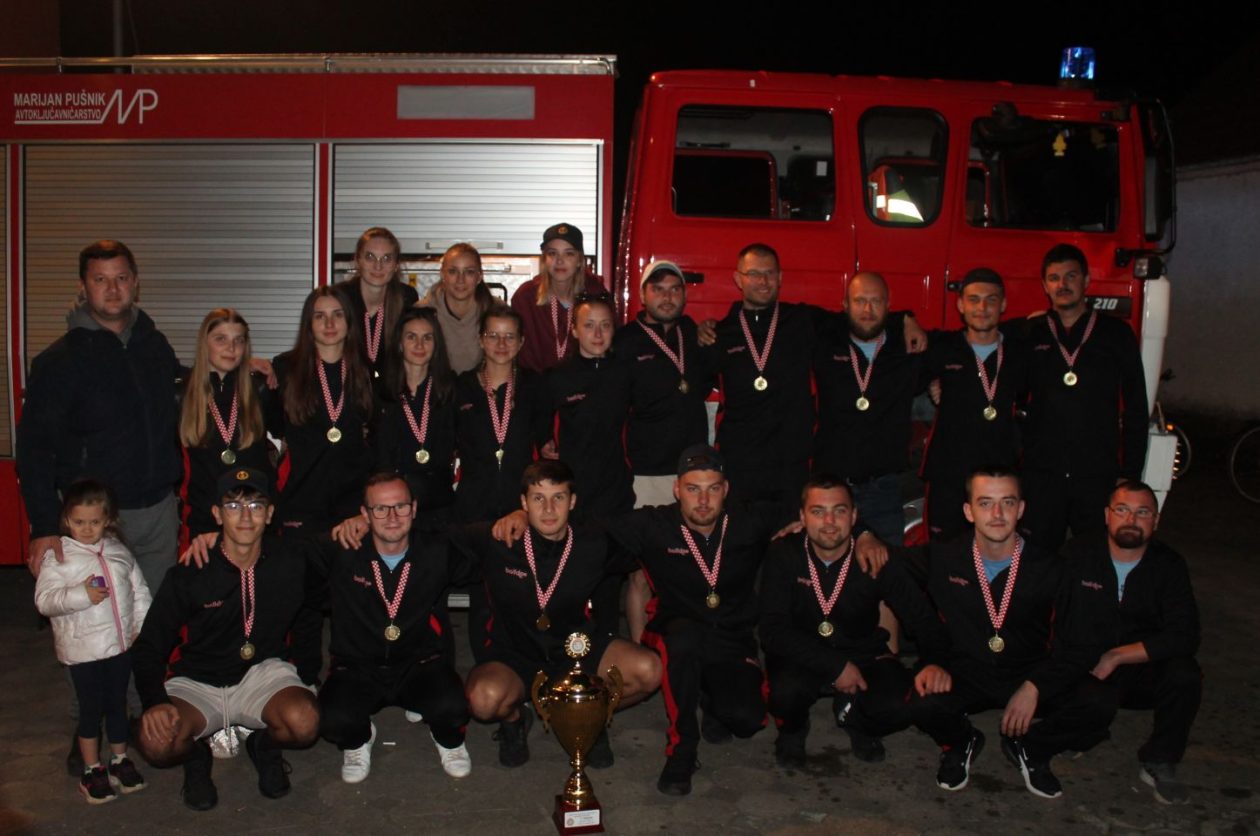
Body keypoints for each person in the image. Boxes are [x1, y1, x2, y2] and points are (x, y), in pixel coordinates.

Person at [904, 467, 1114, 799]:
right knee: (921, 700)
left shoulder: (1051, 568)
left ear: (1021, 509)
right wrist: (932, 658)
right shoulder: (944, 557)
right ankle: (962, 742)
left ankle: (1031, 748)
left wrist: (1036, 687)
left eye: (1007, 503)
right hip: (966, 668)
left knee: (1099, 704)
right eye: (986, 503)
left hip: (1028, 669)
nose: (997, 514)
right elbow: (888, 571)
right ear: (969, 511)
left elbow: (1080, 644)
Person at [133, 468, 319, 812]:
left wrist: (308, 676)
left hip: (261, 676)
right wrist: (154, 701)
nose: (246, 516)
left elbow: (309, 615)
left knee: (305, 721)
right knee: (157, 744)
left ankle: (264, 746)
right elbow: (149, 646)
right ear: (217, 515)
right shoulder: (190, 573)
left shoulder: (291, 562)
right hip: (198, 681)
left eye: (256, 505)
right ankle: (196, 754)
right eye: (233, 506)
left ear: (270, 513)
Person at [461, 461, 661, 769]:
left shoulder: (594, 541)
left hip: (577, 649)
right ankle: (515, 720)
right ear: (524, 503)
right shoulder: (498, 539)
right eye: (538, 498)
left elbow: (658, 531)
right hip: (515, 653)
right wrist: (367, 525)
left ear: (573, 501)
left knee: (649, 670)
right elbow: (430, 540)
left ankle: (586, 717)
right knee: (483, 701)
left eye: (559, 497)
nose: (549, 508)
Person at [18, 239, 182, 596]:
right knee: (99, 626)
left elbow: (188, 392)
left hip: (159, 513)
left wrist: (243, 372)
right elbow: (34, 451)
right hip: (96, 520)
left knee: (156, 620)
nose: (112, 289)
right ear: (82, 286)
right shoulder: (57, 363)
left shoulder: (154, 346)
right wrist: (44, 525)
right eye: (100, 280)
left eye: (121, 278)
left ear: (135, 283)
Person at [759, 475, 951, 768]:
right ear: (802, 516)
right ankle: (793, 730)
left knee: (899, 704)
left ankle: (857, 720)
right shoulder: (783, 552)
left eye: (839, 510)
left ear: (855, 516)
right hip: (803, 652)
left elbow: (925, 621)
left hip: (862, 651)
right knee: (785, 692)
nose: (829, 521)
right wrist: (835, 666)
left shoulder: (875, 557)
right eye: (817, 511)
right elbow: (772, 631)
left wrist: (934, 662)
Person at [317, 474, 474, 782]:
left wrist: (521, 517)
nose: (391, 517)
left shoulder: (437, 549)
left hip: (419, 663)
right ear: (363, 514)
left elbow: (485, 542)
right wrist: (219, 539)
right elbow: (283, 553)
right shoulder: (341, 549)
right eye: (380, 509)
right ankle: (359, 738)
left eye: (400, 507)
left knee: (454, 706)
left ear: (414, 509)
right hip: (358, 665)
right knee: (332, 719)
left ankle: (449, 740)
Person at [1065, 480, 1201, 805]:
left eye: (1142, 513)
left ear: (1155, 520)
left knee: (1186, 673)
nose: (1131, 519)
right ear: (1107, 515)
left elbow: (1186, 634)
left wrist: (1118, 655)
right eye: (1122, 510)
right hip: (1088, 668)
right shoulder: (1079, 554)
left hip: (1141, 668)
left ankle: (1159, 759)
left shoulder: (1168, 565)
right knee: (1085, 708)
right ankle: (1083, 731)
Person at [1019, 243, 1149, 549]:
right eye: (1054, 278)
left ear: (1087, 281)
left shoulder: (1116, 335)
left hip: (1097, 475)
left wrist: (1128, 475)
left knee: (1094, 559)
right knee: (1036, 560)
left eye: (1071, 276)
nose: (1062, 285)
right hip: (1042, 475)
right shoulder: (1030, 333)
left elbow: (1136, 408)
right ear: (1044, 286)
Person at [614, 260, 714, 643]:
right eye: (658, 289)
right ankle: (642, 651)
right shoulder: (625, 341)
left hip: (692, 475)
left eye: (675, 289)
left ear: (685, 296)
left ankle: (690, 644)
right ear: (642, 296)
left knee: (693, 564)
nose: (667, 296)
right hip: (647, 475)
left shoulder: (694, 333)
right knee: (642, 570)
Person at [34, 480, 152, 804]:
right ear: (66, 521)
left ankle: (118, 760)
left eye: (95, 522)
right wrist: (81, 595)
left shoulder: (118, 551)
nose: (87, 529)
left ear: (108, 519)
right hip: (82, 651)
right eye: (79, 522)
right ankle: (91, 769)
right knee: (90, 711)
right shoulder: (59, 558)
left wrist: (141, 626)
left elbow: (139, 591)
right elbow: (45, 601)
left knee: (117, 705)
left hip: (119, 647)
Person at [812, 271, 923, 546]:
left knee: (884, 577)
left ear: (889, 305)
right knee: (830, 575)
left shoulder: (909, 350)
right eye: (860, 301)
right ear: (845, 305)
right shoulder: (825, 344)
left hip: (884, 490)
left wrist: (906, 319)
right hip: (831, 490)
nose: (868, 309)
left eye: (876, 301)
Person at [920, 269, 1030, 541]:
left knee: (995, 551)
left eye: (991, 300)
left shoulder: (1020, 353)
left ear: (1003, 305)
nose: (982, 308)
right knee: (943, 555)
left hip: (999, 479)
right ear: (960, 305)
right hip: (949, 477)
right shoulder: (942, 349)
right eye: (973, 299)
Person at [272, 285, 376, 533]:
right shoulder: (285, 369)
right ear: (309, 323)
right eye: (320, 316)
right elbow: (272, 430)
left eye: (338, 315)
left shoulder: (366, 372)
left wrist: (368, 510)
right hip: (300, 505)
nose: (329, 323)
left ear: (349, 321)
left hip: (352, 511)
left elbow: (374, 443)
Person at [179, 309, 278, 539]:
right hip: (204, 525)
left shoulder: (260, 389)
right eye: (220, 339)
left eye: (239, 340)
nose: (231, 348)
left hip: (254, 522)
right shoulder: (182, 394)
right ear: (205, 343)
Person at [372, 307, 458, 533]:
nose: (419, 345)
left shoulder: (451, 390)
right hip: (392, 508)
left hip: (439, 506)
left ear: (436, 344)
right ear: (400, 344)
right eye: (411, 337)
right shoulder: (380, 393)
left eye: (427, 338)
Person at [510, 222, 606, 372]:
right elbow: (519, 354)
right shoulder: (525, 298)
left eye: (569, 253)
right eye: (552, 253)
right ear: (544, 259)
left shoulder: (596, 294)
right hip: (537, 388)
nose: (559, 261)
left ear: (580, 260)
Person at [339, 227, 420, 377]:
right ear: (358, 260)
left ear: (396, 265)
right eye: (370, 257)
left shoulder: (406, 298)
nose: (378, 266)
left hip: (389, 392)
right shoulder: (340, 297)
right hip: (346, 389)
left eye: (386, 258)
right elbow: (313, 342)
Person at [418, 242, 495, 374]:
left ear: (479, 277)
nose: (460, 279)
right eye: (453, 271)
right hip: (434, 391)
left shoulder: (496, 312)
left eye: (469, 272)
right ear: (442, 274)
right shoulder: (421, 313)